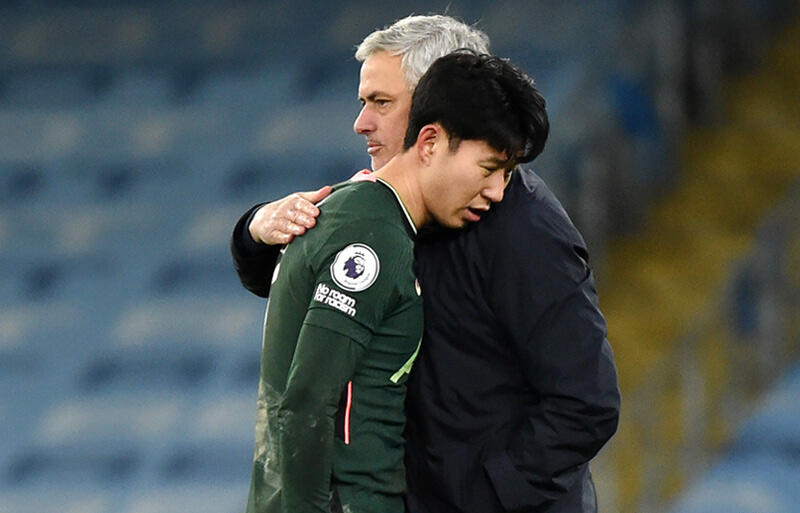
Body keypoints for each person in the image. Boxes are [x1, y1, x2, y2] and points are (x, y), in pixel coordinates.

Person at [233, 14, 621, 513]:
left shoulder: (527, 232)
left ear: (436, 106)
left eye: (382, 102)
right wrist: (256, 227)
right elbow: (293, 287)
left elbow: (586, 402)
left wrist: (481, 496)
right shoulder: (381, 208)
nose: (362, 123)